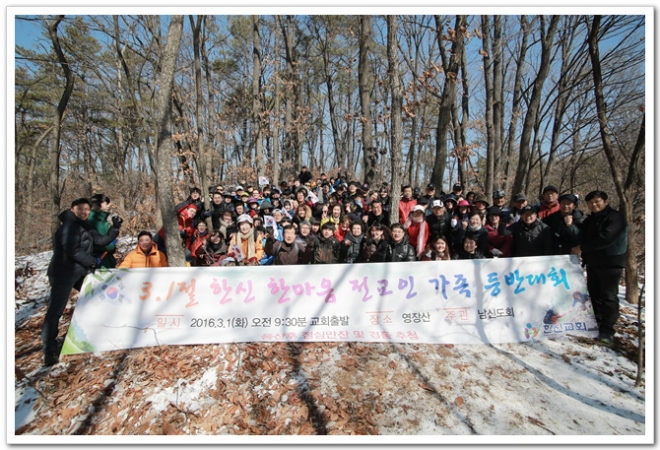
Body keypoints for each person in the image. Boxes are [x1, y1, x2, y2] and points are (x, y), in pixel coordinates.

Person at [43, 198, 122, 366]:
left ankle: (99, 333)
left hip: (80, 272)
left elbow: (101, 241)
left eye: (86, 209)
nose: (84, 212)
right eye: (80, 209)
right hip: (63, 273)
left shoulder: (84, 226)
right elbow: (71, 249)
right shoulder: (68, 226)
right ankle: (49, 350)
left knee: (100, 297)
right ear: (72, 209)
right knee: (56, 311)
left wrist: (115, 228)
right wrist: (90, 261)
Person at [576, 191, 628, 345]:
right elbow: (581, 235)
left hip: (611, 263)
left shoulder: (615, 217)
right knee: (594, 294)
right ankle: (595, 324)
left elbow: (606, 237)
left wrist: (582, 248)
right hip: (593, 262)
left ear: (606, 201)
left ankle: (607, 330)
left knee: (608, 296)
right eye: (590, 203)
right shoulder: (590, 220)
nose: (594, 205)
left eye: (597, 201)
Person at [87, 194, 118, 268]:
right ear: (98, 204)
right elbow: (91, 242)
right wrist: (110, 247)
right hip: (96, 262)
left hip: (107, 261)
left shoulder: (104, 221)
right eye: (106, 203)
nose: (109, 205)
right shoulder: (90, 221)